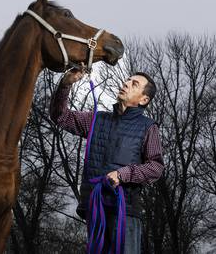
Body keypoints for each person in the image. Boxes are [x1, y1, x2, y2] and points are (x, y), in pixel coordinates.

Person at [50, 69, 164, 253]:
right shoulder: (96, 120)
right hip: (95, 211)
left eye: (134, 84)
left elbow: (156, 168)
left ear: (144, 100)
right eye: (127, 80)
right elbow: (60, 116)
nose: (126, 83)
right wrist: (65, 84)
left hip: (125, 213)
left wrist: (123, 174)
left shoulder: (148, 127)